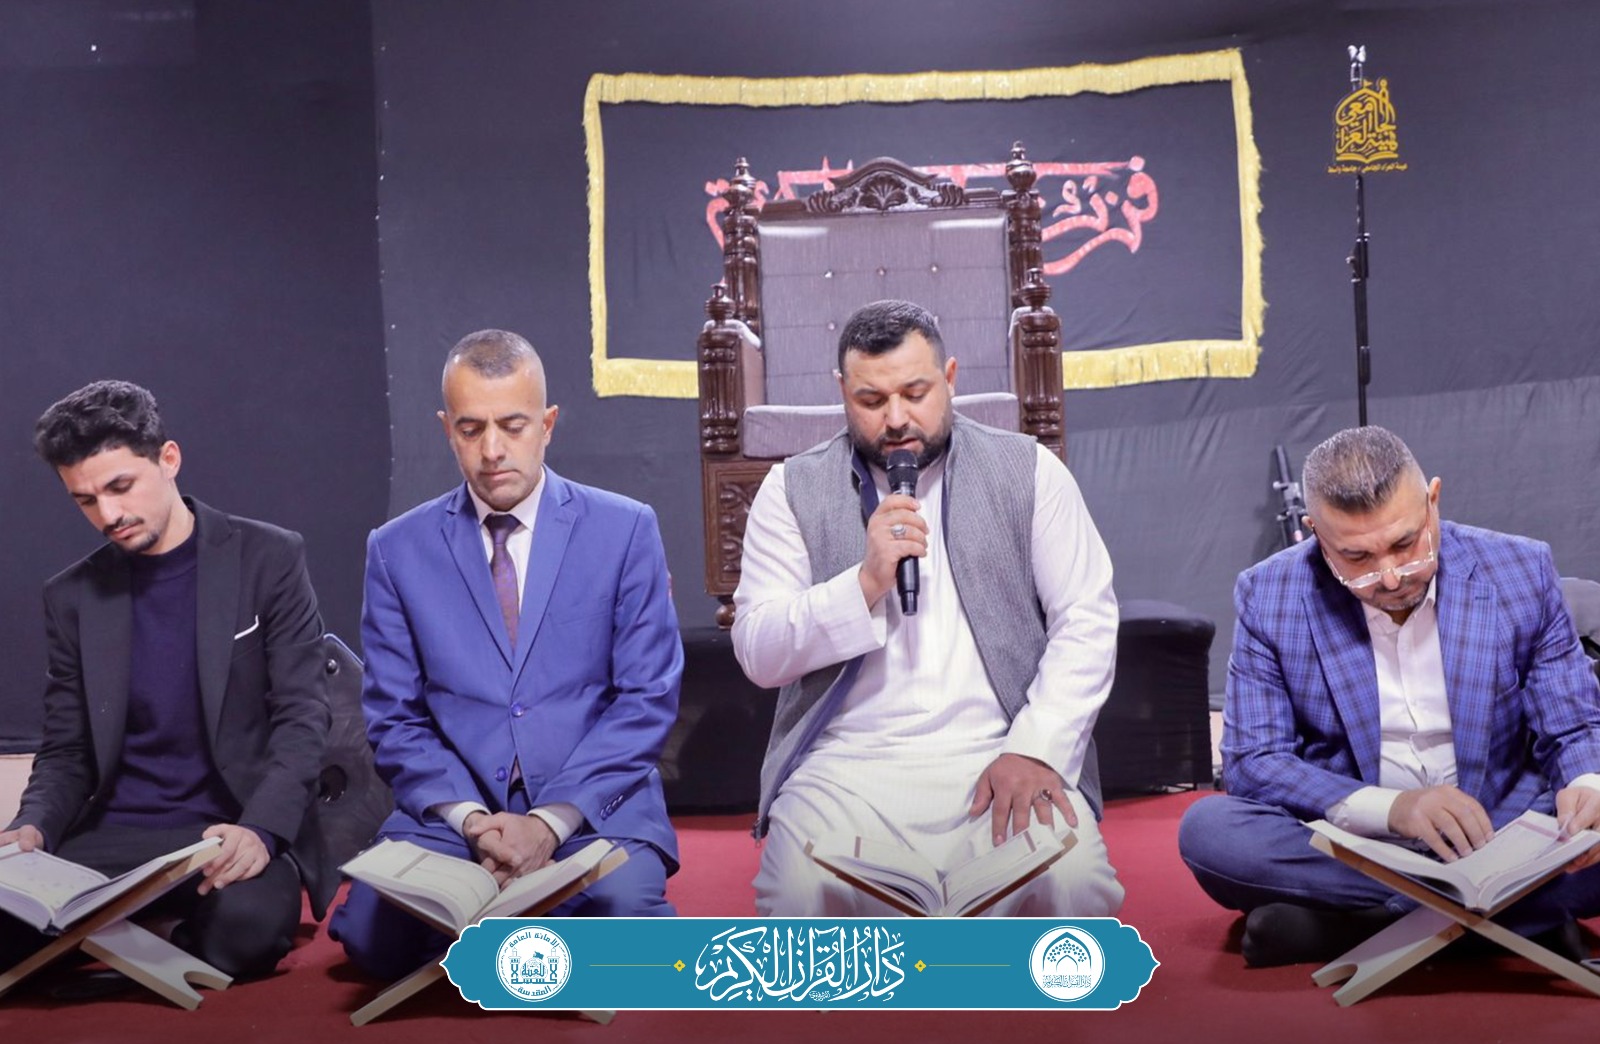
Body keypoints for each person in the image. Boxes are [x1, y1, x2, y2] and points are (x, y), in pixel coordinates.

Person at [733, 299, 1124, 917]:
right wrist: (864, 583)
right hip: (844, 769)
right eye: (871, 400)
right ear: (842, 392)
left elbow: (1087, 619)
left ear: (950, 377)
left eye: (915, 393)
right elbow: (759, 653)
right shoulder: (790, 489)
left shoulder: (1030, 471)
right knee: (797, 898)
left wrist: (1037, 748)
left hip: (998, 749)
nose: (895, 419)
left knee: (1076, 889)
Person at [329, 329, 682, 980]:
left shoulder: (625, 529)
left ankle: (498, 930)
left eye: (513, 426)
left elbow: (647, 701)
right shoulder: (396, 549)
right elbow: (395, 719)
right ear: (447, 429)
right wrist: (474, 823)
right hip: (453, 817)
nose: (492, 450)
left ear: (547, 425)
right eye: (471, 429)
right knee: (371, 937)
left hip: (593, 809)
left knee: (626, 915)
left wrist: (547, 824)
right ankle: (534, 933)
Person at [1179, 425, 1600, 966]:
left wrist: (1587, 786)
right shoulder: (1270, 593)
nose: (1391, 576)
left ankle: (1355, 929)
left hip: (1505, 831)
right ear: (1315, 534)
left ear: (1433, 502)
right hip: (1359, 845)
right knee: (1211, 833)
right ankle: (1508, 919)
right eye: (1357, 557)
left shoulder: (1520, 569)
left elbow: (1572, 725)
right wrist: (1394, 810)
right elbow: (1254, 762)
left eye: (1405, 544)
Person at [1, 380, 334, 980]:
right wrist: (32, 826)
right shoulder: (71, 596)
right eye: (85, 500)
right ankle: (147, 942)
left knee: (249, 933)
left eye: (120, 486)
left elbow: (302, 718)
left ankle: (109, 946)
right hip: (113, 837)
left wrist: (261, 830)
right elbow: (67, 750)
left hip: (226, 830)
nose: (108, 515)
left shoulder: (270, 557)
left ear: (169, 459)